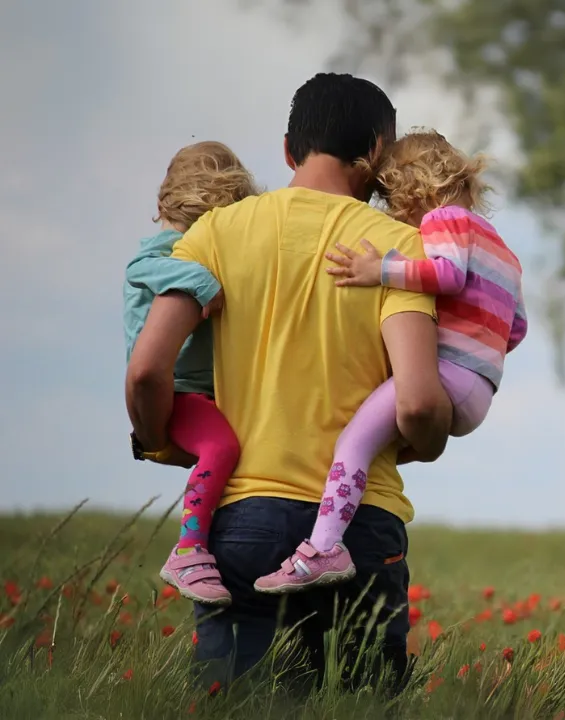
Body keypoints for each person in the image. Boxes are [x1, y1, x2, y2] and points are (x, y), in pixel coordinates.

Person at [125, 73, 452, 695]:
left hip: (242, 518)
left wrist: (158, 438)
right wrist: (426, 440)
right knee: (362, 705)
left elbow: (146, 369)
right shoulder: (398, 248)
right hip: (361, 524)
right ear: (378, 153)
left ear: (286, 151)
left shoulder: (213, 234)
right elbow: (417, 401)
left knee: (232, 705)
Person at [254, 130, 527, 594]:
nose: (396, 214)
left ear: (412, 188)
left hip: (447, 375)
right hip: (481, 388)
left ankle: (322, 548)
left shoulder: (444, 220)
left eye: (392, 199)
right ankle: (341, 523)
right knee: (378, 442)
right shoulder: (504, 250)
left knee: (352, 444)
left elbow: (446, 274)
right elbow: (516, 328)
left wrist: (377, 270)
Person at [124, 141, 257, 606]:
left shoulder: (192, 246)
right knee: (222, 447)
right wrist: (203, 282)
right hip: (178, 391)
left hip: (203, 392)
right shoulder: (166, 250)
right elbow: (142, 267)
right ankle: (189, 549)